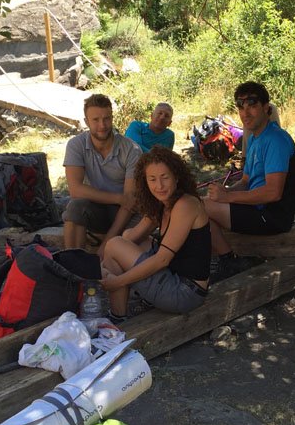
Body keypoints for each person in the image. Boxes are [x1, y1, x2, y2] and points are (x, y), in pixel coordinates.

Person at [100, 147, 210, 322]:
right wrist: (107, 262)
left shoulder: (185, 204)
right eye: (152, 179)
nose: (159, 186)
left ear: (176, 176)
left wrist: (118, 281)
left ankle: (118, 315)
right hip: (174, 275)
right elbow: (130, 238)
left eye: (165, 177)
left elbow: (162, 260)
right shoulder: (162, 204)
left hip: (185, 292)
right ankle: (121, 307)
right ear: (145, 181)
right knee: (125, 238)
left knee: (114, 245)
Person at [204, 81, 295, 280]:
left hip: (272, 217)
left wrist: (227, 198)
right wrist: (226, 191)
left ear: (266, 108)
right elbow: (246, 181)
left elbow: (273, 193)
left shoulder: (276, 140)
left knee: (197, 207)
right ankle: (222, 258)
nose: (245, 113)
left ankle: (228, 260)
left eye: (252, 105)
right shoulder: (256, 138)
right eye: (241, 106)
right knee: (198, 203)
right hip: (255, 208)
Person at [63, 93, 142, 255]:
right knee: (75, 207)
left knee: (133, 232)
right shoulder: (76, 145)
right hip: (98, 206)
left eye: (106, 119)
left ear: (112, 118)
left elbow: (129, 202)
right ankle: (71, 261)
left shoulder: (132, 149)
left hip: (126, 213)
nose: (102, 125)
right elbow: (75, 190)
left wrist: (104, 248)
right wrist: (118, 198)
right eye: (95, 120)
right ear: (86, 122)